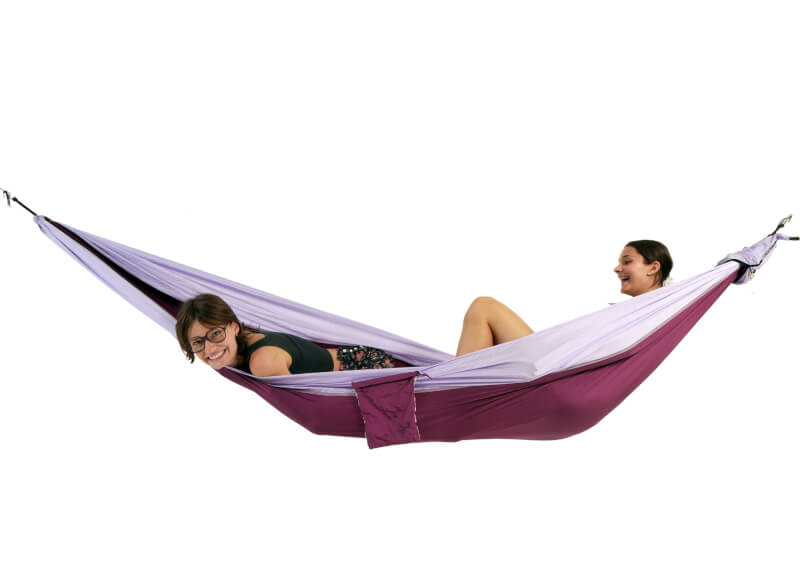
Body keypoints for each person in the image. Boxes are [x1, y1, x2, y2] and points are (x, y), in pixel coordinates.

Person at [176, 240, 672, 376]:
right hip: (373, 366)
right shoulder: (250, 348)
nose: (210, 347)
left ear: (233, 327)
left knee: (483, 307)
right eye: (199, 342)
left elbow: (301, 397)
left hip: (377, 370)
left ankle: (543, 368)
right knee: (482, 311)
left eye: (214, 334)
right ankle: (537, 366)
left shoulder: (262, 360)